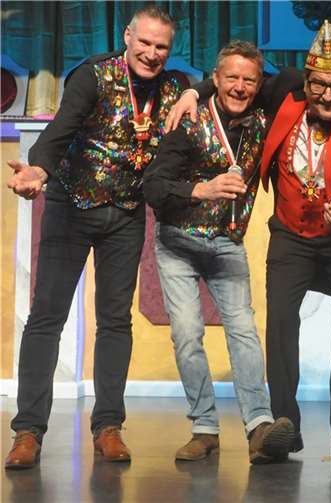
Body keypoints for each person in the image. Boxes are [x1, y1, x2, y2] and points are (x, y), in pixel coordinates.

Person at [166, 21, 331, 464]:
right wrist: (193, 91)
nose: (327, 95)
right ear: (306, 80)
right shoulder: (284, 90)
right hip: (291, 236)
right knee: (281, 325)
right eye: (318, 84)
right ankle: (282, 430)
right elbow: (236, 79)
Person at [4, 6, 183, 469]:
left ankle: (108, 427)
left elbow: (208, 95)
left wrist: (195, 93)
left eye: (161, 47)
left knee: (115, 321)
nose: (151, 53)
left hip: (125, 214)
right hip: (72, 206)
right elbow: (61, 128)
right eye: (145, 43)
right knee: (47, 318)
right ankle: (28, 431)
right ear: (127, 37)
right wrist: (38, 170)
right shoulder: (94, 76)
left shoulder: (174, 88)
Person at [142, 40, 295, 465]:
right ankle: (205, 429)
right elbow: (153, 187)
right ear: (216, 78)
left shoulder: (263, 116)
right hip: (178, 242)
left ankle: (259, 428)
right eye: (230, 78)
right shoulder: (189, 120)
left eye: (249, 80)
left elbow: (291, 79)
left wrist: (198, 87)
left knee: (243, 331)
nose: (240, 87)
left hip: (227, 243)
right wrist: (201, 189)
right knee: (187, 334)